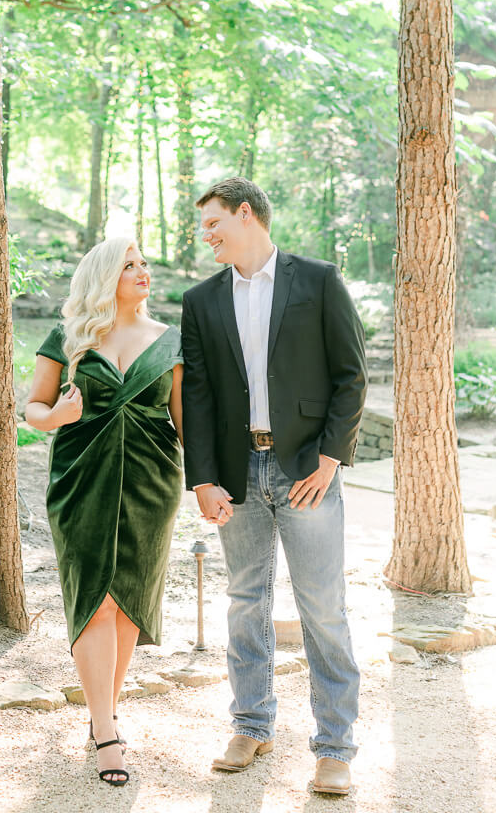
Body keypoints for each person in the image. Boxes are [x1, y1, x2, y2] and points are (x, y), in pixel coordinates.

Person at [181, 177, 367, 796]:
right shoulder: (202, 300)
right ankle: (251, 723)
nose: (204, 234)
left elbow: (350, 377)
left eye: (212, 223)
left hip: (307, 474)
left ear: (244, 214)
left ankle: (335, 747)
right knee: (244, 603)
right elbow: (201, 397)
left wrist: (330, 461)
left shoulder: (316, 280)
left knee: (322, 608)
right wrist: (203, 479)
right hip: (238, 476)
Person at [26, 238, 183, 788]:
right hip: (80, 480)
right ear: (103, 276)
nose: (143, 272)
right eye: (130, 265)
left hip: (151, 481)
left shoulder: (171, 342)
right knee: (94, 597)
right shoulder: (67, 338)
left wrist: (214, 484)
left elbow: (185, 423)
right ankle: (108, 732)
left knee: (127, 603)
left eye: (144, 264)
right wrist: (59, 414)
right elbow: (33, 410)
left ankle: (102, 720)